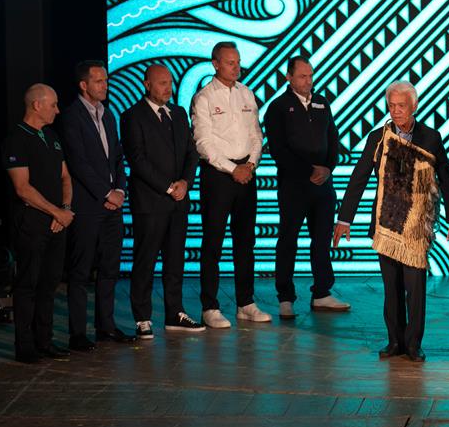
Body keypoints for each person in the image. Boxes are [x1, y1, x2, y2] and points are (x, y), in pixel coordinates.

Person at [334, 81, 449, 362]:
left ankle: (413, 344)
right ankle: (394, 342)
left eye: (401, 106)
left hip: (416, 229)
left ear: (414, 107)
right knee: (391, 289)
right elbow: (358, 179)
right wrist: (344, 219)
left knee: (415, 291)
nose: (395, 111)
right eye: (391, 106)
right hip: (386, 226)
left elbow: (447, 180)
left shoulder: (431, 138)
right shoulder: (377, 138)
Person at [120, 64, 205, 339]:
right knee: (145, 260)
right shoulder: (132, 116)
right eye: (161, 83)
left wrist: (185, 183)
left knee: (175, 259)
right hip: (151, 201)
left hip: (178, 200)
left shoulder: (178, 114)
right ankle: (142, 318)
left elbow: (192, 153)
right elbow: (138, 160)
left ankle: (174, 312)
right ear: (146, 84)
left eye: (169, 82)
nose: (167, 88)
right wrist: (169, 186)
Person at [191, 41, 271, 328]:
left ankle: (245, 302)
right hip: (218, 175)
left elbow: (256, 135)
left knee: (245, 240)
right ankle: (209, 306)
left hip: (246, 173)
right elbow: (203, 142)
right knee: (213, 241)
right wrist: (231, 168)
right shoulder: (204, 97)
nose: (236, 67)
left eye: (237, 62)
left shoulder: (246, 93)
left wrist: (250, 164)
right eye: (229, 63)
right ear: (215, 64)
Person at [264, 55, 350, 319]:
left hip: (323, 186)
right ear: (288, 77)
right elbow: (278, 150)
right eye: (302, 76)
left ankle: (322, 292)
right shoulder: (278, 107)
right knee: (288, 239)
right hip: (294, 185)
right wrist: (309, 170)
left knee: (322, 239)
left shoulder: (323, 103)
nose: (308, 81)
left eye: (310, 75)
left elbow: (333, 140)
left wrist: (328, 168)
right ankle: (285, 297)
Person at [60, 60, 135, 350]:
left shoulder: (108, 114)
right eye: (99, 81)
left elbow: (117, 156)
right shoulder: (71, 117)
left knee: (110, 268)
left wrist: (119, 189)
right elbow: (79, 163)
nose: (105, 85)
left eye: (105, 80)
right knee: (80, 272)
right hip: (89, 204)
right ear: (84, 85)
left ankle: (106, 326)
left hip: (112, 204)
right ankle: (78, 333)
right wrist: (107, 193)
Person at [3, 84, 75, 363]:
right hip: (32, 222)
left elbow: (65, 177)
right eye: (54, 104)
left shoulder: (52, 136)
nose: (58, 110)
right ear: (37, 105)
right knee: (28, 284)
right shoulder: (16, 139)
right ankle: (25, 345)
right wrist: (55, 212)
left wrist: (65, 210)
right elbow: (22, 188)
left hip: (58, 222)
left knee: (50, 283)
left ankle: (45, 341)